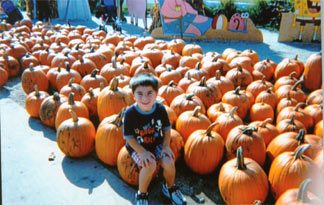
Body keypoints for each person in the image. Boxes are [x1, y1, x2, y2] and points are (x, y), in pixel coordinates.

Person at [123, 73, 187, 205]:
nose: (145, 98)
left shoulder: (160, 109)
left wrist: (165, 146)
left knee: (169, 161)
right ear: (133, 95)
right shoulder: (130, 114)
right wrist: (142, 152)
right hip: (138, 147)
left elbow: (166, 129)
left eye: (149, 93)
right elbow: (129, 138)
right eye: (139, 93)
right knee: (149, 164)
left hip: (156, 144)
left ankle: (169, 188)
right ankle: (142, 194)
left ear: (156, 93)